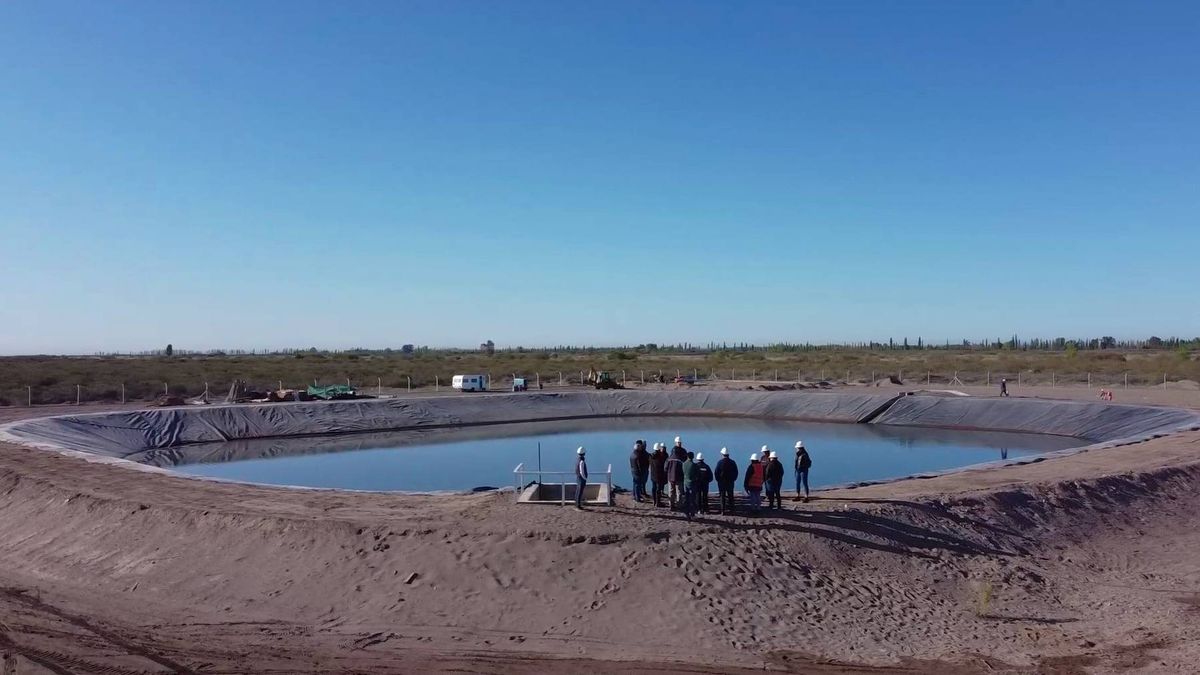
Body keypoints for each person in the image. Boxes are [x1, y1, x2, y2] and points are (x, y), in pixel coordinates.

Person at [714, 447, 739, 514]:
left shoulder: (720, 462)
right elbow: (736, 472)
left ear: (722, 454)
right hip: (730, 482)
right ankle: (732, 510)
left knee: (722, 496)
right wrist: (733, 479)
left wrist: (718, 480)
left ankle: (723, 510)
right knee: (731, 496)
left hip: (722, 482)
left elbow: (716, 472)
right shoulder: (732, 462)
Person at [665, 445, 685, 510]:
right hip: (679, 478)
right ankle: (679, 505)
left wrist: (669, 473)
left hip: (670, 478)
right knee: (679, 492)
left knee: (671, 491)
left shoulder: (668, 459)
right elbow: (683, 469)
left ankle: (671, 505)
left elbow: (665, 468)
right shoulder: (680, 460)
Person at [681, 451, 697, 520]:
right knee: (692, 499)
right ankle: (692, 514)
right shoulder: (694, 465)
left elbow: (683, 472)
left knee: (686, 498)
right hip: (692, 483)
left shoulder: (684, 464)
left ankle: (686, 512)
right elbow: (697, 475)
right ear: (693, 457)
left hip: (685, 483)